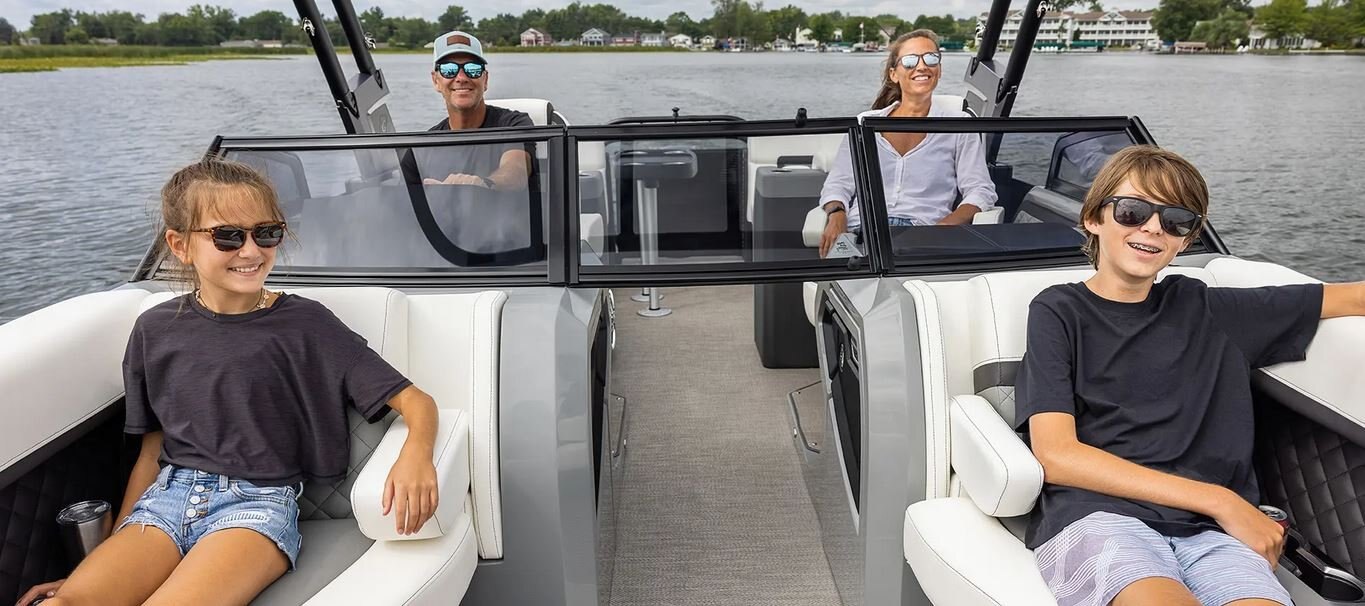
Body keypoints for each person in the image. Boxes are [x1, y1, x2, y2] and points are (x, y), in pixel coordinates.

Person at [17, 159, 441, 606]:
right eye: (228, 236)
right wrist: (106, 557)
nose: (251, 251)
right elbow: (151, 452)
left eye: (267, 233)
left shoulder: (307, 324)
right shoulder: (154, 330)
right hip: (165, 501)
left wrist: (416, 454)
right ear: (180, 245)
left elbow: (416, 401)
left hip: (255, 508)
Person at [1014, 145, 1365, 606]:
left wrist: (1221, 511)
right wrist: (1223, 501)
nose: (1152, 227)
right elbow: (1058, 454)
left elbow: (1352, 298)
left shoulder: (1209, 309)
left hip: (1209, 533)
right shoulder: (1058, 311)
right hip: (1099, 516)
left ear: (1186, 240)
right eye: (1133, 211)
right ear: (1094, 218)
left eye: (1176, 220)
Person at [817, 29, 998, 257]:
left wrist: (943, 227)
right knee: (838, 273)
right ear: (894, 74)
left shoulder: (959, 126)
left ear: (939, 70)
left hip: (924, 237)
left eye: (930, 58)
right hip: (860, 231)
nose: (922, 66)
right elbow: (838, 184)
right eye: (911, 60)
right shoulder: (864, 124)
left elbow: (980, 190)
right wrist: (837, 215)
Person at [423, 30, 533, 192]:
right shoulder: (425, 145)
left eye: (472, 69)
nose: (461, 78)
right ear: (436, 81)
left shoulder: (514, 125)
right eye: (449, 69)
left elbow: (516, 171)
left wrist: (482, 185)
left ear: (485, 80)